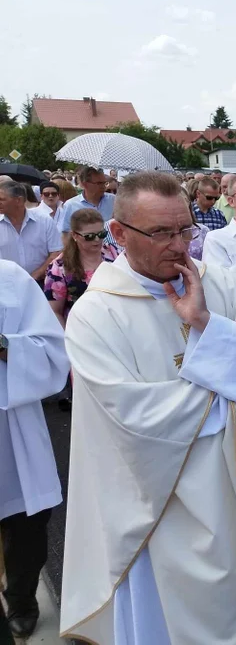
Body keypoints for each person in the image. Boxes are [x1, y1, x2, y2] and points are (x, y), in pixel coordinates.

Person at [60, 171, 236, 643]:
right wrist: (233, 359)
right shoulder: (94, 315)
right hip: (161, 510)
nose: (179, 244)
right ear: (119, 234)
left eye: (184, 229)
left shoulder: (220, 283)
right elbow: (133, 418)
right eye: (161, 232)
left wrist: (208, 324)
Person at [0, 261, 70, 639]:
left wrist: (3, 343)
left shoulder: (10, 278)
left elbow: (53, 353)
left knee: (27, 522)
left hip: (12, 428)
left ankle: (22, 599)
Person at [44, 209, 118, 328]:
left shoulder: (114, 253)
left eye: (102, 234)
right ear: (74, 235)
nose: (97, 240)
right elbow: (55, 311)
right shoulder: (59, 268)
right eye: (89, 236)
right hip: (81, 331)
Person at [0, 181, 62, 282]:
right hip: (5, 285)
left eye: (2, 199)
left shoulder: (44, 221)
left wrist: (35, 275)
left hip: (40, 283)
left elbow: (56, 252)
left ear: (18, 200)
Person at [58, 166, 115, 239]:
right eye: (99, 183)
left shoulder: (113, 200)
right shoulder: (71, 205)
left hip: (111, 249)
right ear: (85, 184)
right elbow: (65, 233)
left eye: (104, 183)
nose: (103, 187)